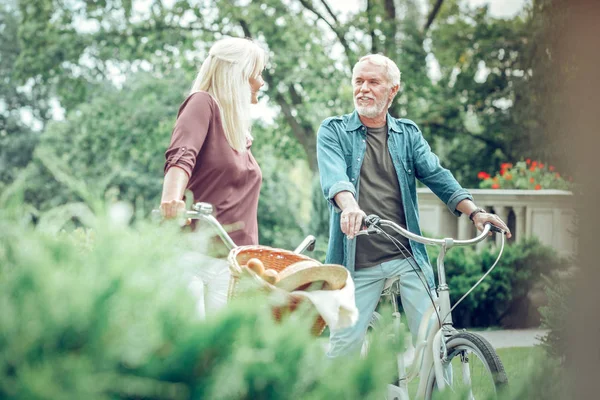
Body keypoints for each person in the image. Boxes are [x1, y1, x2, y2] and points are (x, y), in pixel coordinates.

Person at [316, 54, 511, 357]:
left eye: (373, 82)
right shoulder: (333, 130)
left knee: (436, 341)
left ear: (392, 90)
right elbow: (335, 178)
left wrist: (475, 211)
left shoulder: (407, 134)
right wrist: (350, 206)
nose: (363, 89)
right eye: (358, 81)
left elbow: (437, 175)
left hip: (406, 255)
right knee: (343, 349)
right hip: (357, 261)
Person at [160, 37, 267, 317]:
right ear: (239, 74)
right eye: (257, 73)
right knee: (191, 344)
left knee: (223, 352)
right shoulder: (202, 103)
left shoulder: (238, 135)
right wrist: (171, 198)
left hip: (232, 262)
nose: (261, 82)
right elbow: (182, 155)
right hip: (192, 255)